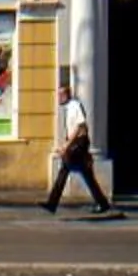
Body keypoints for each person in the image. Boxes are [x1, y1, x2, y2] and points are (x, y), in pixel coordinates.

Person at [41, 82, 117, 217]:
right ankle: (102, 203)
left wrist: (67, 146)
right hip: (77, 144)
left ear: (66, 94)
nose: (58, 97)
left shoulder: (75, 105)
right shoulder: (69, 107)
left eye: (60, 94)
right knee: (86, 174)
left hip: (79, 143)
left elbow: (81, 126)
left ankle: (52, 204)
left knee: (65, 170)